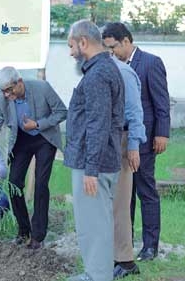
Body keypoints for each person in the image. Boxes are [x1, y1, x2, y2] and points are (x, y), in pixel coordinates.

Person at [102, 22, 170, 262]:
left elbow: (161, 102)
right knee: (124, 195)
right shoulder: (111, 66)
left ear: (127, 42)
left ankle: (150, 246)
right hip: (118, 140)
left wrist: (162, 134)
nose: (111, 52)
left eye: (113, 47)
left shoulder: (151, 63)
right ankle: (125, 245)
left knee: (146, 191)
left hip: (144, 139)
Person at [0, 66, 67, 250]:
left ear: (19, 82)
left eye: (9, 90)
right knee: (14, 184)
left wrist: (39, 124)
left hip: (44, 138)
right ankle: (23, 230)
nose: (6, 95)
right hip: (21, 140)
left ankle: (38, 235)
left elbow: (61, 111)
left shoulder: (42, 88)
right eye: (3, 91)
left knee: (41, 185)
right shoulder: (1, 100)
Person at [65, 20, 124, 281]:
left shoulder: (98, 75)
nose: (70, 52)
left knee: (93, 224)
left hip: (93, 166)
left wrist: (91, 169)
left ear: (83, 42)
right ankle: (96, 272)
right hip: (97, 162)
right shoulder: (102, 69)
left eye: (71, 46)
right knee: (97, 222)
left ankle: (97, 276)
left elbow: (98, 124)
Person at [108, 54, 147, 279]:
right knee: (109, 203)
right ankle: (114, 255)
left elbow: (134, 113)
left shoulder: (122, 72)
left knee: (120, 203)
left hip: (121, 140)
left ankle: (126, 261)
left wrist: (133, 146)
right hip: (107, 141)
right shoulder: (97, 69)